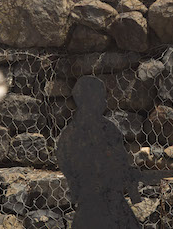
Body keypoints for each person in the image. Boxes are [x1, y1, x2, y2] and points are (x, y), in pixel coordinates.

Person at [56, 76, 142, 229]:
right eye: (101, 98)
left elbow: (69, 170)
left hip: (87, 210)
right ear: (92, 100)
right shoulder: (108, 130)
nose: (104, 102)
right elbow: (120, 166)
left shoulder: (67, 135)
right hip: (111, 209)